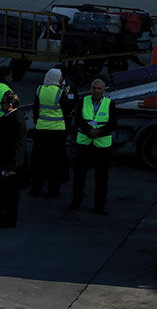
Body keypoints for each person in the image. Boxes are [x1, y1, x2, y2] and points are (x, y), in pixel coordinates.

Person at [70, 79, 115, 215]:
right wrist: (89, 130)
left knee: (101, 179)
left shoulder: (110, 103)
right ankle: (76, 201)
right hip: (84, 144)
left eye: (99, 89)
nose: (96, 91)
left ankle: (99, 206)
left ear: (104, 91)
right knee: (79, 176)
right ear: (91, 89)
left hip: (102, 146)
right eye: (94, 88)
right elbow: (78, 119)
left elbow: (113, 123)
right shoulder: (83, 101)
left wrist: (98, 132)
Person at [0, 91, 27, 228]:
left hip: (9, 164)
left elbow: (17, 146)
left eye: (2, 102)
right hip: (2, 162)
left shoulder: (15, 120)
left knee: (9, 193)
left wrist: (12, 167)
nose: (0, 104)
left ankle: (9, 219)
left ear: (10, 105)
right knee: (0, 190)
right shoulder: (9, 117)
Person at [30, 67, 71, 198]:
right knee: (55, 162)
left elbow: (35, 108)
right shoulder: (60, 92)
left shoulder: (40, 89)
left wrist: (37, 122)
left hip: (41, 129)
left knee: (38, 161)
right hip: (57, 131)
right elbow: (67, 110)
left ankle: (36, 188)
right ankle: (53, 190)